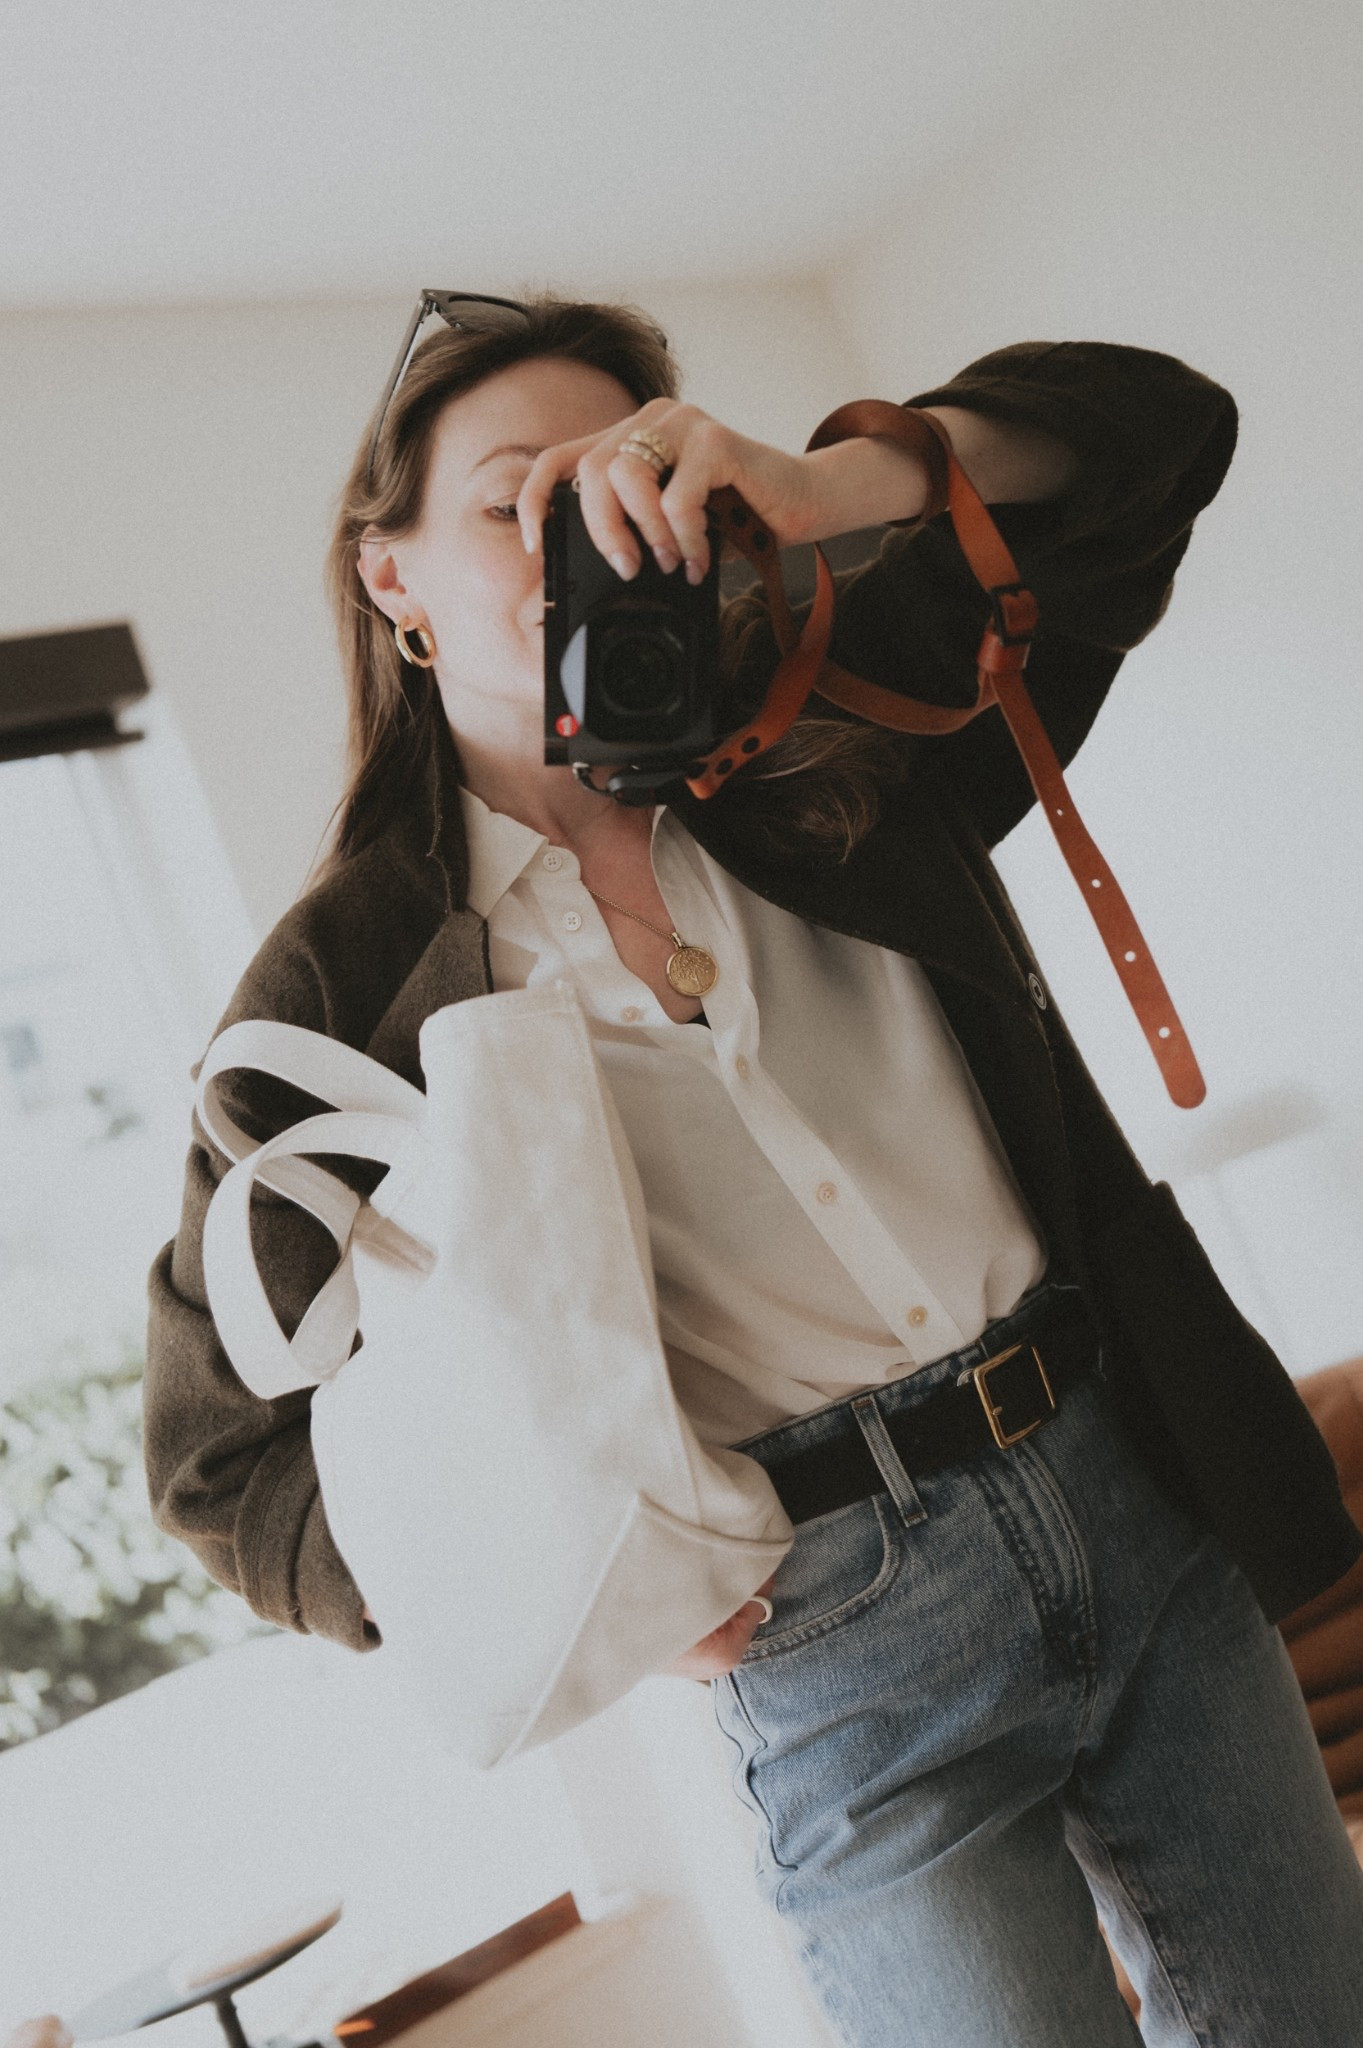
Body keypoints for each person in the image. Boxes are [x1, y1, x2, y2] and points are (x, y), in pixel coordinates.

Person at [144, 293, 1363, 2046]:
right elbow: (218, 1458)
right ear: (390, 579)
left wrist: (818, 488)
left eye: (622, 476)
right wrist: (597, 1590)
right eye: (510, 501)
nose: (577, 526)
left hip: (1136, 1489)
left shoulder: (842, 730)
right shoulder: (346, 984)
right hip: (833, 1634)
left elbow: (1159, 428)